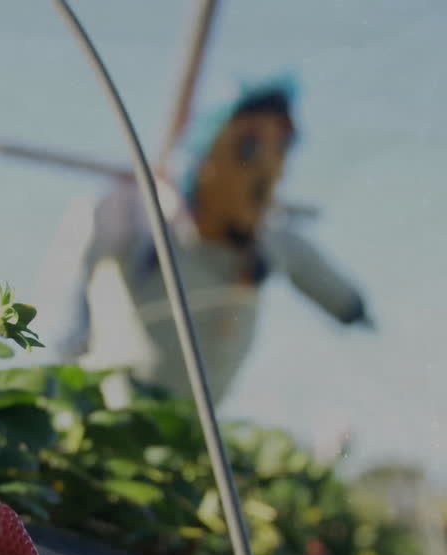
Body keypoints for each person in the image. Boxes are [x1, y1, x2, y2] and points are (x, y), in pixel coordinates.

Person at [38, 72, 373, 405]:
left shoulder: (271, 247)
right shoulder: (138, 221)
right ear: (202, 159)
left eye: (282, 148)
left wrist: (355, 310)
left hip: (196, 430)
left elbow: (336, 292)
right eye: (249, 147)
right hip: (111, 416)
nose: (266, 170)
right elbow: (74, 296)